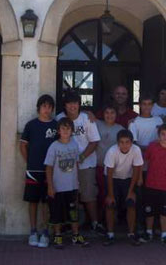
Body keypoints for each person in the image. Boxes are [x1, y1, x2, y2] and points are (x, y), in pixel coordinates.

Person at [56, 90, 106, 235]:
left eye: (75, 103)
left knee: (88, 194)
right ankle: (71, 226)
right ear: (65, 105)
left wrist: (81, 157)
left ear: (79, 105)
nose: (72, 106)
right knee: (70, 196)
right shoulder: (59, 118)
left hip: (86, 164)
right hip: (65, 166)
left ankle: (95, 223)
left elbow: (94, 141)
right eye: (69, 103)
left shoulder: (87, 119)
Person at [19, 94, 58, 248]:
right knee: (33, 201)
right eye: (44, 106)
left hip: (51, 171)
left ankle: (45, 232)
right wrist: (29, 161)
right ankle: (33, 231)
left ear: (52, 109)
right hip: (33, 170)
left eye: (49, 107)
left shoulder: (56, 125)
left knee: (47, 202)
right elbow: (22, 146)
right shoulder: (31, 125)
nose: (46, 109)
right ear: (38, 108)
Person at [45, 118, 89, 249]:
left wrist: (78, 182)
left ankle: (76, 235)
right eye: (63, 128)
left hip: (72, 186)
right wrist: (50, 186)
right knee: (57, 213)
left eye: (68, 128)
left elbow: (76, 164)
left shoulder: (74, 145)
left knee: (73, 212)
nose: (65, 131)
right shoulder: (54, 146)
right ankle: (58, 236)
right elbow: (49, 167)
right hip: (58, 187)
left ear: (72, 131)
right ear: (58, 131)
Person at [140, 124, 166, 247]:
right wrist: (141, 178)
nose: (165, 137)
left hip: (164, 187)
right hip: (150, 185)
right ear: (159, 135)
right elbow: (143, 162)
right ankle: (149, 232)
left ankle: (164, 234)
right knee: (149, 211)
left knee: (164, 212)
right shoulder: (152, 147)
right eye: (163, 134)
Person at [128, 94, 163, 232]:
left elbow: (163, 140)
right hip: (140, 166)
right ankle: (140, 226)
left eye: (149, 104)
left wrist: (151, 148)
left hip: (156, 165)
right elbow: (134, 144)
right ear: (139, 105)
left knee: (155, 196)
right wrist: (151, 148)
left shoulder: (158, 120)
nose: (147, 107)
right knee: (141, 197)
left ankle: (156, 227)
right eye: (144, 104)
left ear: (153, 105)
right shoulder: (134, 122)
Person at [102, 129, 143, 246]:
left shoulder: (136, 150)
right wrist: (110, 194)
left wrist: (131, 191)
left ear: (131, 142)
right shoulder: (112, 152)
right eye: (122, 142)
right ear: (117, 143)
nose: (124, 145)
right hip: (113, 179)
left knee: (131, 203)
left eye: (127, 142)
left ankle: (131, 233)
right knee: (110, 204)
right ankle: (110, 234)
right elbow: (109, 173)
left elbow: (136, 170)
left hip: (129, 178)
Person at [95, 105, 123, 217]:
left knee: (111, 195)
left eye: (112, 112)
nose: (109, 115)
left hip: (114, 169)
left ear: (116, 115)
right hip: (99, 166)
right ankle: (97, 220)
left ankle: (111, 222)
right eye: (107, 112)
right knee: (98, 194)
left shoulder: (120, 129)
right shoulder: (96, 124)